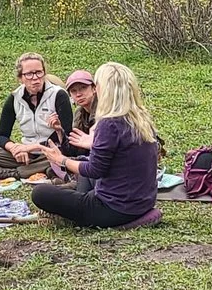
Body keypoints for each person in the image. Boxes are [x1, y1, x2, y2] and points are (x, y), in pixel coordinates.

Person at [32, 62, 163, 229]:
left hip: (115, 209)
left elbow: (95, 170)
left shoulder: (109, 123)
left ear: (103, 90)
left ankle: (81, 211)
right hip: (142, 202)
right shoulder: (140, 117)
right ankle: (77, 199)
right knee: (83, 174)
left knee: (40, 193)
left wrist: (61, 160)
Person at [0, 53, 74, 179]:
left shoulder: (58, 95)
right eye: (29, 74)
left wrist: (33, 147)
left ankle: (16, 173)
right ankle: (43, 169)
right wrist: (15, 148)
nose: (35, 78)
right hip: (28, 152)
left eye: (39, 72)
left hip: (51, 150)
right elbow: (1, 136)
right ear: (20, 78)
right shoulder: (15, 98)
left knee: (61, 157)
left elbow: (68, 134)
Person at [60, 68, 98, 159]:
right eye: (73, 91)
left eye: (83, 88)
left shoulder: (104, 110)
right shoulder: (78, 113)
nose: (78, 94)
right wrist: (59, 131)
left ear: (94, 89)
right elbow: (74, 149)